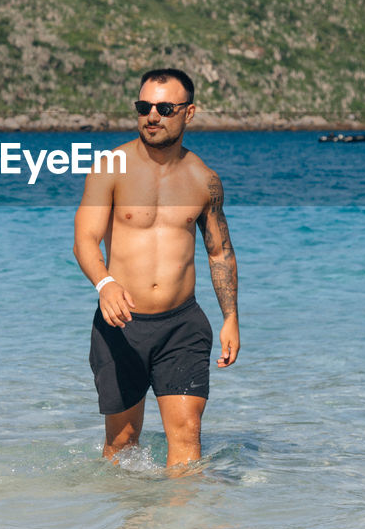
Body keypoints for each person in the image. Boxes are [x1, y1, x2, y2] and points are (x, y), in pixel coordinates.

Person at [73, 68, 240, 469]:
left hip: (182, 326)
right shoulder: (110, 167)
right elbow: (84, 239)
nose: (152, 116)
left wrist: (231, 317)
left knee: (186, 435)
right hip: (121, 326)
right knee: (122, 443)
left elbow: (220, 253)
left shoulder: (205, 181)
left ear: (189, 112)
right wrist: (106, 284)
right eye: (143, 106)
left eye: (165, 108)